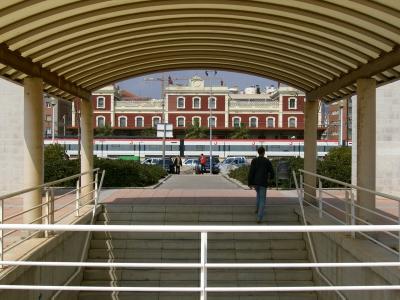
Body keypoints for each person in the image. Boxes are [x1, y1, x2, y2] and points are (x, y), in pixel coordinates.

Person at [248, 146, 274, 224]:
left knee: (258, 196)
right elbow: (272, 172)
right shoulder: (267, 161)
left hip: (256, 183)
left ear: (258, 152)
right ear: (264, 152)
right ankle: (259, 217)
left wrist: (250, 183)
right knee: (262, 199)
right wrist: (271, 179)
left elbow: (251, 172)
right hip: (263, 182)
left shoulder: (254, 160)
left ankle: (257, 209)